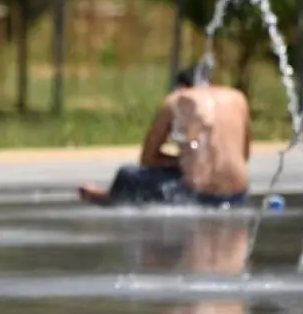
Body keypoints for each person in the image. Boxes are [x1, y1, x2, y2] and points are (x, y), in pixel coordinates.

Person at [78, 67, 251, 208]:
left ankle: (111, 201)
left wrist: (184, 161)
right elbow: (244, 155)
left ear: (181, 86)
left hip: (199, 197)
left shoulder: (176, 100)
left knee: (128, 174)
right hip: (237, 195)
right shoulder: (238, 98)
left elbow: (148, 159)